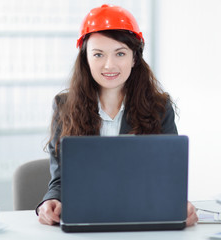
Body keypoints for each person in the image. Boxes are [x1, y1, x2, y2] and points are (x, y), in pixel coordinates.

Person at [36, 4, 198, 227]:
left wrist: (179, 204)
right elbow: (60, 179)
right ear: (85, 59)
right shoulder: (64, 106)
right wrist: (51, 201)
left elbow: (168, 178)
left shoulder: (159, 107)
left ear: (134, 58)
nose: (109, 65)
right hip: (87, 220)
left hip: (142, 219)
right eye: (98, 54)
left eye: (120, 53)